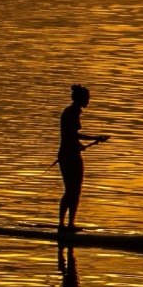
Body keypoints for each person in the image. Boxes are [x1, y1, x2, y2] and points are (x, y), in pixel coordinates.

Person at [56, 82, 104, 235]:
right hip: (67, 156)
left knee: (76, 190)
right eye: (87, 98)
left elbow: (72, 137)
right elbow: (71, 134)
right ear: (80, 99)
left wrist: (80, 145)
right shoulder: (70, 112)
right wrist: (94, 137)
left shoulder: (75, 112)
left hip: (73, 154)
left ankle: (70, 224)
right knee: (70, 190)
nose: (89, 101)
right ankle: (62, 225)